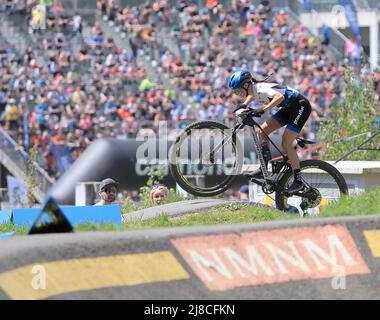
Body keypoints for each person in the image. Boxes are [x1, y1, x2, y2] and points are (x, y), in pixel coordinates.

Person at [228, 69, 312, 194]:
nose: (236, 93)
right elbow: (251, 96)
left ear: (246, 85)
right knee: (262, 132)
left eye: (236, 90)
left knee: (286, 143)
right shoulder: (253, 90)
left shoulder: (260, 87)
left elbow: (279, 96)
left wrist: (263, 109)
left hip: (300, 106)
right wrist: (243, 106)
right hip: (288, 108)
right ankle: (264, 169)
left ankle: (298, 181)